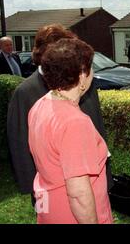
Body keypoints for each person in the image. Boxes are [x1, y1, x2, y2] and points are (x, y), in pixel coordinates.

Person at [7, 24, 113, 203]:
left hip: (91, 181)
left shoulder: (85, 80)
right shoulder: (25, 92)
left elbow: (97, 126)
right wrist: (35, 191)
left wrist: (106, 178)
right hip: (50, 189)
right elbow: (19, 144)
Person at [28, 37, 113, 224]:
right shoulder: (75, 122)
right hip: (71, 214)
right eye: (91, 69)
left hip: (49, 207)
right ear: (82, 76)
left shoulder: (40, 105)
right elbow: (79, 194)